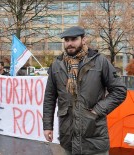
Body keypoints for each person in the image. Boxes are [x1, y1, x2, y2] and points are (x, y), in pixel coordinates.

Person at [43, 26, 127, 155]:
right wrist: (48, 126)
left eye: (74, 39)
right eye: (66, 40)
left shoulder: (100, 61)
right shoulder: (57, 65)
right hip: (68, 137)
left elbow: (119, 91)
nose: (69, 43)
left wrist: (97, 110)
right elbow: (50, 97)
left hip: (94, 137)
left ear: (83, 40)